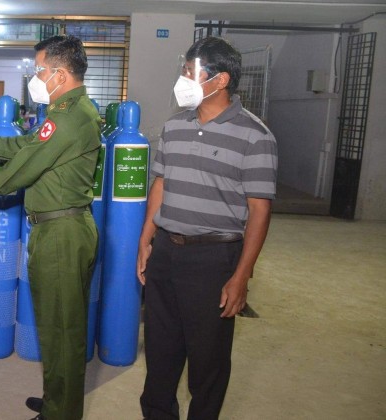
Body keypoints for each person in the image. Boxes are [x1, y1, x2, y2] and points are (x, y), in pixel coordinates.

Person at [0, 35, 100, 420]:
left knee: (62, 331)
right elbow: (26, 147)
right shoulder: (67, 112)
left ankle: (61, 414)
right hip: (59, 228)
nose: (35, 78)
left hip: (62, 233)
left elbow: (19, 172)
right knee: (55, 325)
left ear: (60, 74)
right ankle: (56, 401)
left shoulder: (68, 118)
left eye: (39, 71)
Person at [135, 37, 277, 419]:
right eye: (183, 70)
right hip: (166, 252)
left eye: (190, 72)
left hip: (213, 259)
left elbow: (259, 210)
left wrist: (241, 276)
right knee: (160, 354)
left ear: (220, 79)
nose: (182, 79)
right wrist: (146, 238)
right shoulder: (173, 127)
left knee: (207, 363)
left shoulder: (255, 136)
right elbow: (161, 183)